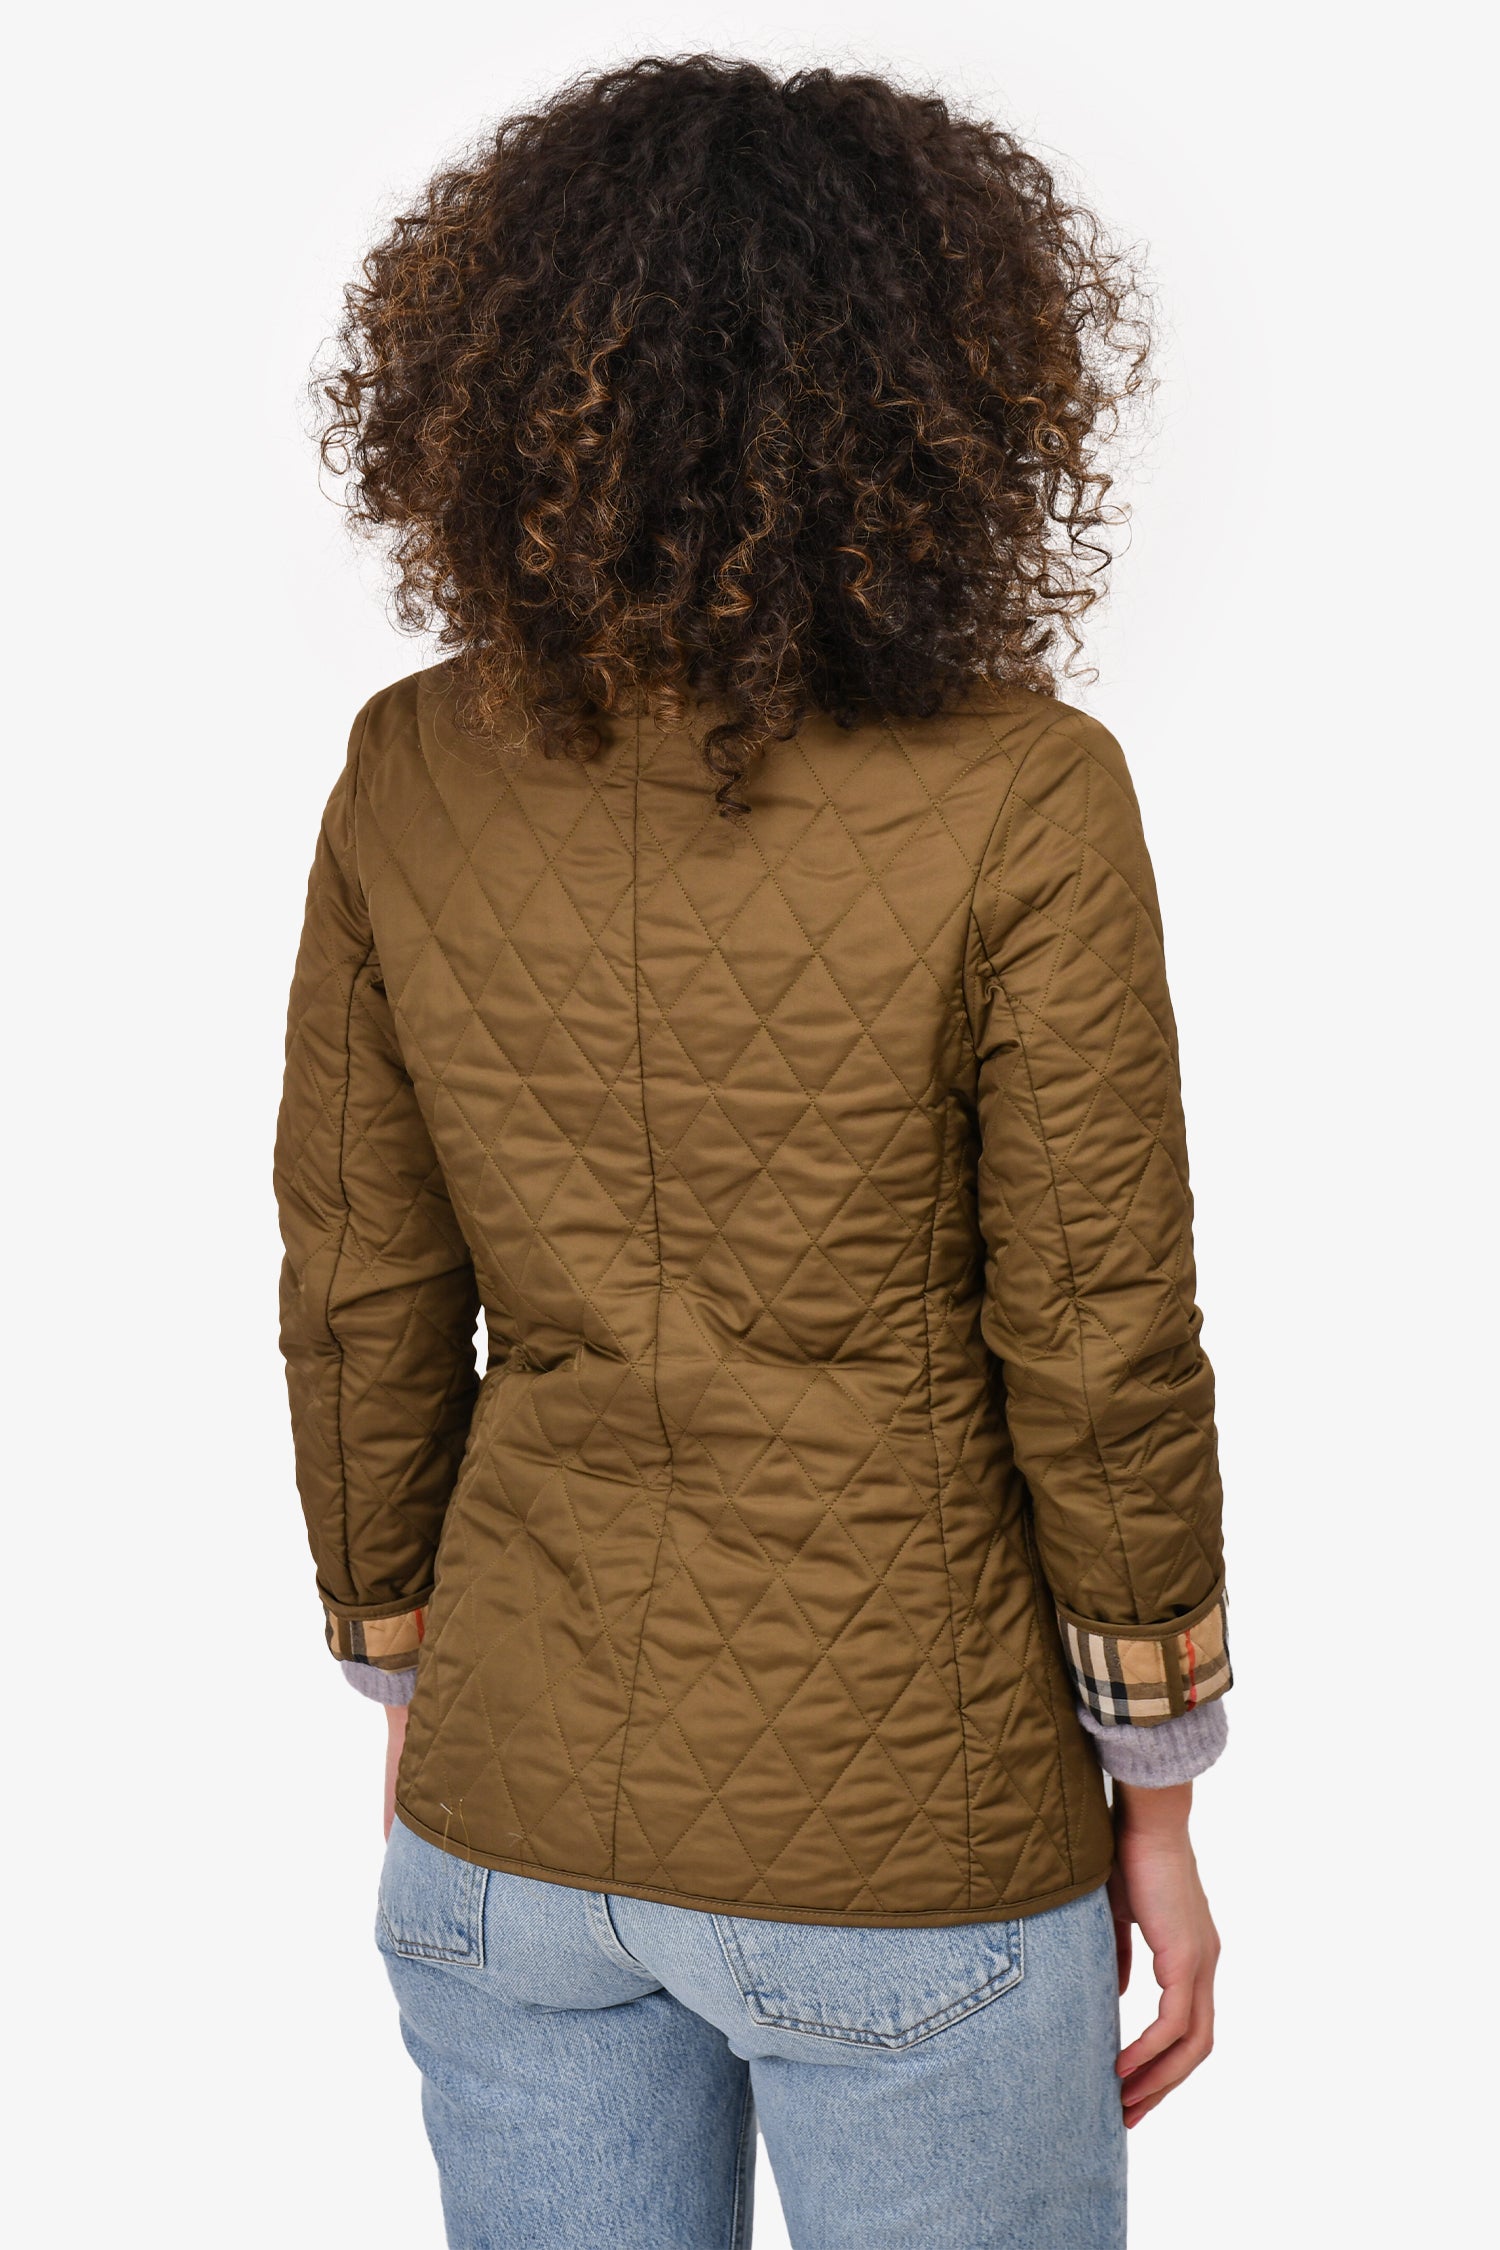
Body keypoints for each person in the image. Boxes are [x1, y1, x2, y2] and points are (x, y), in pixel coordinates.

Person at [274, 54, 1229, 2250]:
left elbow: (356, 1292)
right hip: (911, 1835)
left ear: (503, 389)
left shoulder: (409, 767)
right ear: (942, 400)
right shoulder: (1027, 792)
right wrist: (1158, 1792)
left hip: (511, 1818)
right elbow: (1100, 1342)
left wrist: (411, 1675)